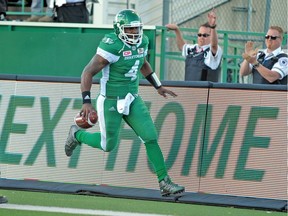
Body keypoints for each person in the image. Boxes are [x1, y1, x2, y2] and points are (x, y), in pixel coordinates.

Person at [64, 9, 185, 197]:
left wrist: (158, 86)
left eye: (136, 29)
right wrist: (86, 102)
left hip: (132, 98)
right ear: (119, 29)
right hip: (110, 99)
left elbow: (142, 63)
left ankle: (164, 182)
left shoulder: (142, 41)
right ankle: (77, 135)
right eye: (130, 30)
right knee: (108, 145)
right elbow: (87, 72)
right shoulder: (112, 46)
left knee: (150, 136)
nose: (134, 34)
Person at [166, 9, 222, 82]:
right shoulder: (193, 48)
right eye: (199, 35)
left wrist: (213, 27)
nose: (201, 37)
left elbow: (214, 45)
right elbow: (182, 47)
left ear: (211, 36)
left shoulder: (213, 51)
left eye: (205, 35)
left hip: (206, 91)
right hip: (190, 89)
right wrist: (177, 30)